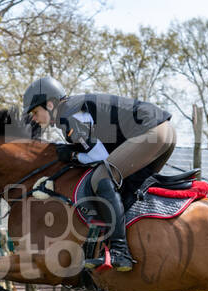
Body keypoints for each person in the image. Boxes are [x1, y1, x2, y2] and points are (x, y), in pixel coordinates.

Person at [23, 76, 176, 272]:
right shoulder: (73, 108)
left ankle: (120, 251)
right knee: (125, 186)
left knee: (101, 177)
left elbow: (99, 157)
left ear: (50, 104)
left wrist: (73, 155)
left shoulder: (67, 114)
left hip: (153, 132)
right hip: (166, 132)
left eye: (35, 112)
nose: (34, 118)